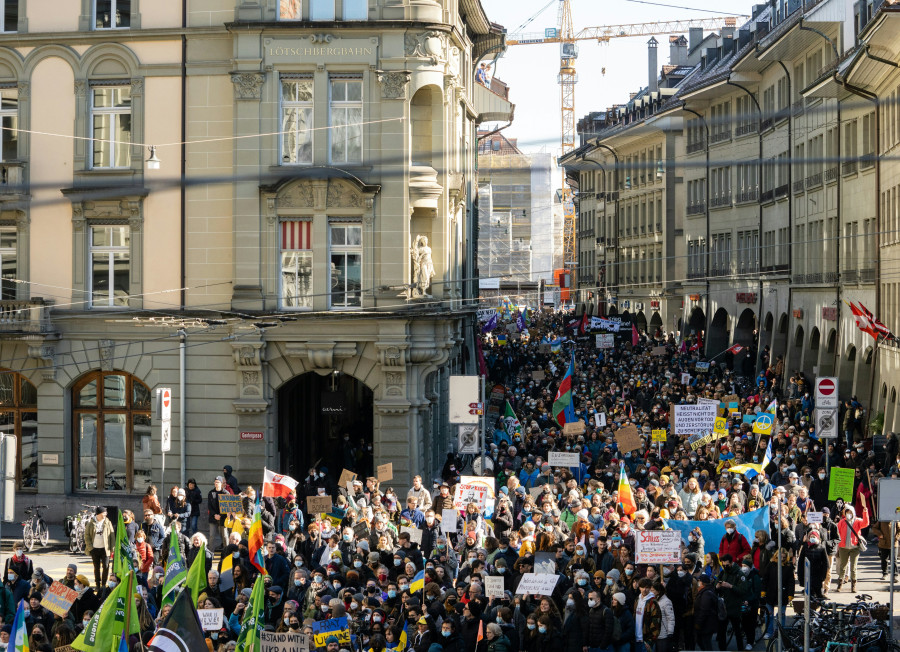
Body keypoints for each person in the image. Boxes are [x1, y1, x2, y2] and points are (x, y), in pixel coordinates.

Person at [835, 504, 869, 593]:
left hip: (854, 547)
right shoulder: (842, 522)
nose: (848, 514)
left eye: (850, 512)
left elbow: (866, 523)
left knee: (853, 567)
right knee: (843, 566)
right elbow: (837, 533)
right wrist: (837, 546)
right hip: (843, 547)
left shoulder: (857, 521)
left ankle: (853, 586)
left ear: (853, 512)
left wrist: (865, 512)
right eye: (847, 512)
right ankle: (840, 584)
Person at [84, 506, 115, 589]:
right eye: (104, 513)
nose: (106, 514)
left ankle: (104, 584)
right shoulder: (91, 523)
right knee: (96, 567)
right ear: (99, 514)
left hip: (105, 549)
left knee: (106, 566)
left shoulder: (107, 522)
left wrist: (112, 548)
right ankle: (97, 584)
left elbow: (112, 535)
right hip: (94, 549)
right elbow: (86, 536)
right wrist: (90, 547)